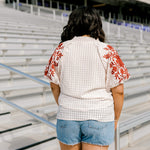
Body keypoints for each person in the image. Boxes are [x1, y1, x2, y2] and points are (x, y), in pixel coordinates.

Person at [44, 6, 130, 150]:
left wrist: (65, 106)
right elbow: (119, 90)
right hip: (100, 116)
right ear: (96, 24)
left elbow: (54, 85)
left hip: (68, 114)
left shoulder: (61, 49)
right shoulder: (107, 51)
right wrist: (115, 118)